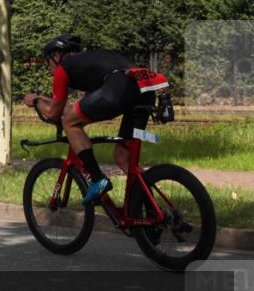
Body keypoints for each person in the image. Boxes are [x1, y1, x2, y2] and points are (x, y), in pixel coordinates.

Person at [24, 35, 168, 204]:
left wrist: (35, 101)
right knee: (123, 157)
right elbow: (77, 108)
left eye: (47, 61)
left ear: (56, 56)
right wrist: (45, 99)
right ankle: (151, 211)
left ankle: (97, 179)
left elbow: (55, 114)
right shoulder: (92, 64)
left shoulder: (63, 69)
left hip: (117, 88)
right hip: (145, 89)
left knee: (69, 123)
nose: (48, 67)